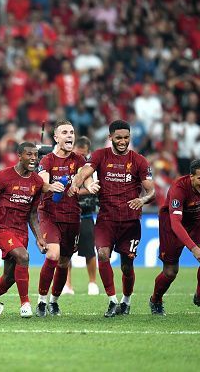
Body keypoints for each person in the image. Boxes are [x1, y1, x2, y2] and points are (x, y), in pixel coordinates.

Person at [69, 120, 155, 317]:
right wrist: (78, 183)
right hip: (106, 219)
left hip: (130, 221)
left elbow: (151, 192)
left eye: (126, 137)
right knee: (102, 255)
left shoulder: (139, 160)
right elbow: (83, 172)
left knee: (127, 265)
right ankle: (112, 301)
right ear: (110, 138)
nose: (123, 141)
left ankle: (126, 300)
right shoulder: (100, 155)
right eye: (118, 138)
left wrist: (143, 200)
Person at [0, 142, 57, 318]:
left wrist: (39, 237)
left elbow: (33, 213)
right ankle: (25, 304)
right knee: (23, 256)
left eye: (36, 155)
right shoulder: (3, 176)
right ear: (19, 156)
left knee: (9, 277)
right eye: (29, 154)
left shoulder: (36, 182)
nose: (33, 158)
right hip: (1, 227)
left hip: (21, 231)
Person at [35, 120, 99, 317]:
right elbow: (43, 183)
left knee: (64, 261)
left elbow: (85, 176)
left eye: (71, 132)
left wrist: (90, 186)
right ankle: (41, 301)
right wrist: (50, 187)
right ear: (56, 138)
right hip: (50, 214)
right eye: (64, 132)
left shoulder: (79, 159)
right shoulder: (47, 160)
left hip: (72, 216)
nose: (69, 135)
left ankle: (54, 301)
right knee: (53, 255)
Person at [149, 159, 200, 316]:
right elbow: (176, 222)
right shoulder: (178, 189)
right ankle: (156, 300)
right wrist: (194, 248)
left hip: (197, 222)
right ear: (191, 177)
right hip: (171, 225)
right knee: (170, 272)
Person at [64, 137, 100, 296]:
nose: (81, 157)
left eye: (84, 155)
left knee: (89, 250)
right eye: (78, 154)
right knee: (65, 251)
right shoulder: (67, 165)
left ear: (88, 153)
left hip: (85, 213)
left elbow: (95, 188)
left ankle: (92, 282)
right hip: (67, 213)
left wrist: (73, 191)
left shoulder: (94, 168)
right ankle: (67, 284)